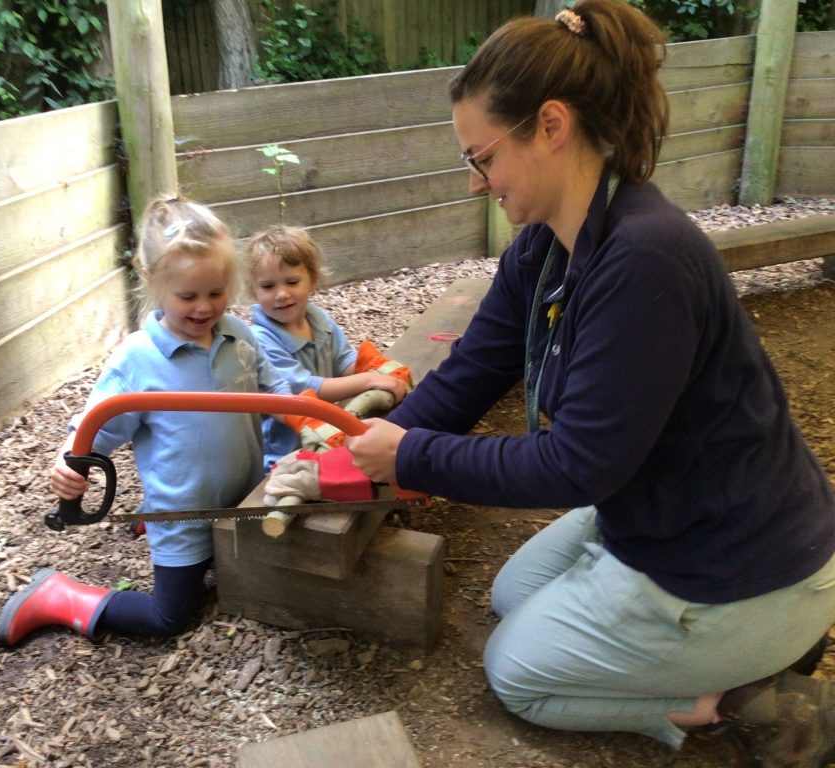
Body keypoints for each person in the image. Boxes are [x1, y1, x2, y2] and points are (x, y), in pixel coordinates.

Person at [342, 1, 835, 763]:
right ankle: (701, 654)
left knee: (517, 674)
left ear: (549, 125)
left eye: (482, 158)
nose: (477, 184)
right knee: (512, 598)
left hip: (740, 566)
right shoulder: (543, 248)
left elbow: (577, 465)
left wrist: (408, 458)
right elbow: (472, 372)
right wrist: (347, 452)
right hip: (665, 515)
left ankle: (732, 695)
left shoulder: (645, 261)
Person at [0, 195, 291, 646]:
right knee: (169, 618)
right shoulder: (139, 360)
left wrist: (312, 425)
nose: (204, 307)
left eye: (216, 292)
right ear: (151, 279)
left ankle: (149, 526)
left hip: (241, 501)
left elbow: (276, 394)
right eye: (187, 295)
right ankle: (59, 595)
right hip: (183, 520)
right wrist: (68, 464)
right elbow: (96, 427)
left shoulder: (240, 337)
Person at [245, 224, 409, 469]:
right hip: (285, 453)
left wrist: (377, 370)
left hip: (326, 434)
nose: (281, 294)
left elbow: (343, 362)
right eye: (268, 286)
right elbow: (304, 390)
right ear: (254, 291)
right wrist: (369, 381)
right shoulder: (260, 338)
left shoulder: (318, 318)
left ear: (312, 281)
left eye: (291, 282)